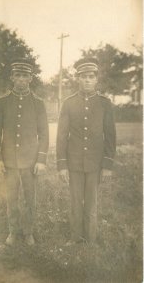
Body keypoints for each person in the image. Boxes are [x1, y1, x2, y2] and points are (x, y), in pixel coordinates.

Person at [56, 57, 116, 244]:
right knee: (75, 202)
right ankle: (75, 237)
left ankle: (90, 239)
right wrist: (62, 165)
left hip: (95, 164)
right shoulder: (68, 103)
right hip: (73, 163)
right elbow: (61, 137)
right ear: (78, 79)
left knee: (91, 203)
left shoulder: (105, 103)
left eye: (91, 76)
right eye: (83, 77)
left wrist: (107, 165)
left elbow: (110, 137)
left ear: (96, 79)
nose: (87, 80)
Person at [0, 57, 49, 246]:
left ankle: (28, 232)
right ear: (12, 78)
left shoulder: (38, 103)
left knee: (30, 199)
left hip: (30, 162)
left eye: (25, 75)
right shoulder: (2, 102)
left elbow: (44, 134)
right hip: (9, 161)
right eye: (18, 75)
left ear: (31, 78)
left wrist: (41, 160)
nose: (22, 79)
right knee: (12, 198)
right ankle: (13, 231)